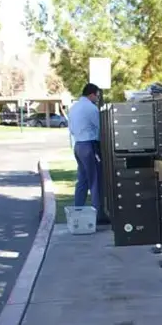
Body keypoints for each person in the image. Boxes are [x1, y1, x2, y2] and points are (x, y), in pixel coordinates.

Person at [68, 83, 108, 225]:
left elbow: (71, 129)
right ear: (91, 94)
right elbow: (101, 127)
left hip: (78, 145)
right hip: (90, 145)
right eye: (96, 95)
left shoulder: (74, 108)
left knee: (82, 180)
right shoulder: (91, 108)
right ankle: (99, 215)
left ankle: (77, 210)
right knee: (96, 180)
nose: (97, 98)